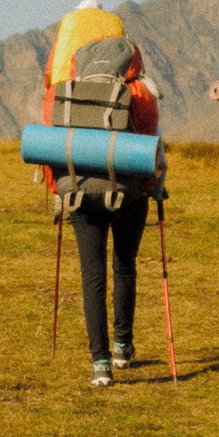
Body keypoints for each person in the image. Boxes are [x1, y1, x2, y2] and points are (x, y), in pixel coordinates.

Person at [64, 41, 162, 389]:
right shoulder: (142, 95)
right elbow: (152, 148)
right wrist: (154, 187)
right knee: (124, 265)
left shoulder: (68, 93)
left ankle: (100, 364)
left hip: (79, 194)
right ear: (133, 62)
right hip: (129, 195)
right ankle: (122, 345)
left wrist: (59, 195)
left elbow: (58, 149)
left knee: (92, 275)